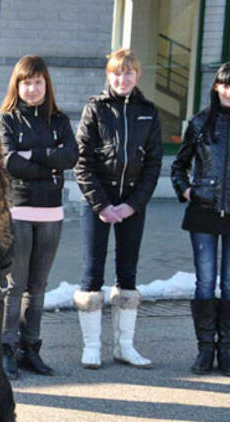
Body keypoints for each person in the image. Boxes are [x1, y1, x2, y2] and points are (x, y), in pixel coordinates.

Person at [73, 48, 163, 369]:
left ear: (137, 75)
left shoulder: (149, 112)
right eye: (116, 73)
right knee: (92, 273)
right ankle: (92, 347)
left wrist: (131, 205)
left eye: (128, 73)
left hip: (131, 205)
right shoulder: (95, 109)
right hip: (97, 202)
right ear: (107, 75)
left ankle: (125, 346)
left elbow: (153, 165)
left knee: (128, 273)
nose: (121, 79)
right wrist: (102, 204)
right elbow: (81, 162)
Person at [0, 55, 78, 379]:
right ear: (17, 85)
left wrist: (34, 156)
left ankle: (31, 348)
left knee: (39, 286)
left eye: (38, 82)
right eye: (26, 82)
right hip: (19, 210)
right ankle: (7, 350)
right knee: (14, 285)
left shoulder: (59, 120)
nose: (33, 88)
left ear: (47, 84)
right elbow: (11, 163)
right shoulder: (6, 120)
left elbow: (70, 156)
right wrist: (50, 165)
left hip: (51, 212)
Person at [171, 62, 230, 376]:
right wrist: (187, 191)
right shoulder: (199, 123)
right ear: (217, 87)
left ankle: (227, 350)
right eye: (226, 84)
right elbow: (178, 167)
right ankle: (205, 349)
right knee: (205, 282)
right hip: (204, 212)